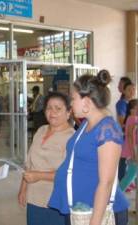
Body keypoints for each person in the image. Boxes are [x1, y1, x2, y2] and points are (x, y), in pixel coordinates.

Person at [49, 70, 129, 225]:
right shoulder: (87, 123)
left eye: (73, 99)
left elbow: (105, 183)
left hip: (96, 214)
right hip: (80, 209)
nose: (70, 103)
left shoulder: (107, 130)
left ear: (86, 102)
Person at [18, 92, 75, 225]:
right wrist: (23, 189)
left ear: (68, 112)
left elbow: (70, 173)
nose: (52, 112)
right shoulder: (41, 130)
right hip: (34, 198)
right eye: (49, 108)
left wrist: (39, 175)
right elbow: (29, 164)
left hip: (56, 201)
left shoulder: (72, 137)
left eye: (58, 108)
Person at [119, 99, 138, 181]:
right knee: (132, 170)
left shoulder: (132, 118)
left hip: (130, 146)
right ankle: (121, 187)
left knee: (131, 169)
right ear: (132, 109)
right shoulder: (133, 118)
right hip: (130, 147)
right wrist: (133, 151)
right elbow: (130, 136)